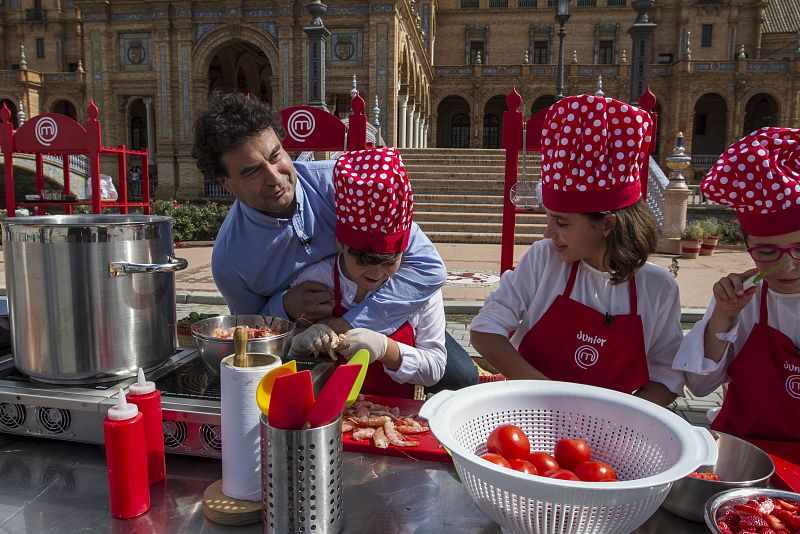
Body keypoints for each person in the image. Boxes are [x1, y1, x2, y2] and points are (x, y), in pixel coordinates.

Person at [191, 92, 476, 389]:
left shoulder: (346, 185)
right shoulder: (231, 259)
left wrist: (354, 322)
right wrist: (285, 306)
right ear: (225, 182)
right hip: (309, 339)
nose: (275, 177)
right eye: (252, 171)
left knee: (459, 376)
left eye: (276, 156)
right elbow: (252, 333)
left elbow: (427, 266)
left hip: (389, 306)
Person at [469, 94, 685, 406]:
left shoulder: (658, 289)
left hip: (609, 433)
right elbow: (486, 331)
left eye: (562, 223)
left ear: (607, 225)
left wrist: (621, 418)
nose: (548, 233)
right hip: (531, 411)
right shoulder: (545, 260)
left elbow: (667, 374)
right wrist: (554, 398)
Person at [673, 127, 800, 441]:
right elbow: (700, 386)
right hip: (745, 452)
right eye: (767, 251)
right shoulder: (741, 297)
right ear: (748, 246)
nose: (789, 265)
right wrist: (724, 317)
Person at [289, 147, 446, 397]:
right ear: (340, 244)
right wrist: (297, 342)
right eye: (363, 259)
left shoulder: (419, 290)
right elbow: (279, 353)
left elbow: (434, 368)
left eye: (388, 261)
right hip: (324, 413)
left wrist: (387, 350)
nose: (376, 273)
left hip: (392, 417)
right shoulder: (315, 280)